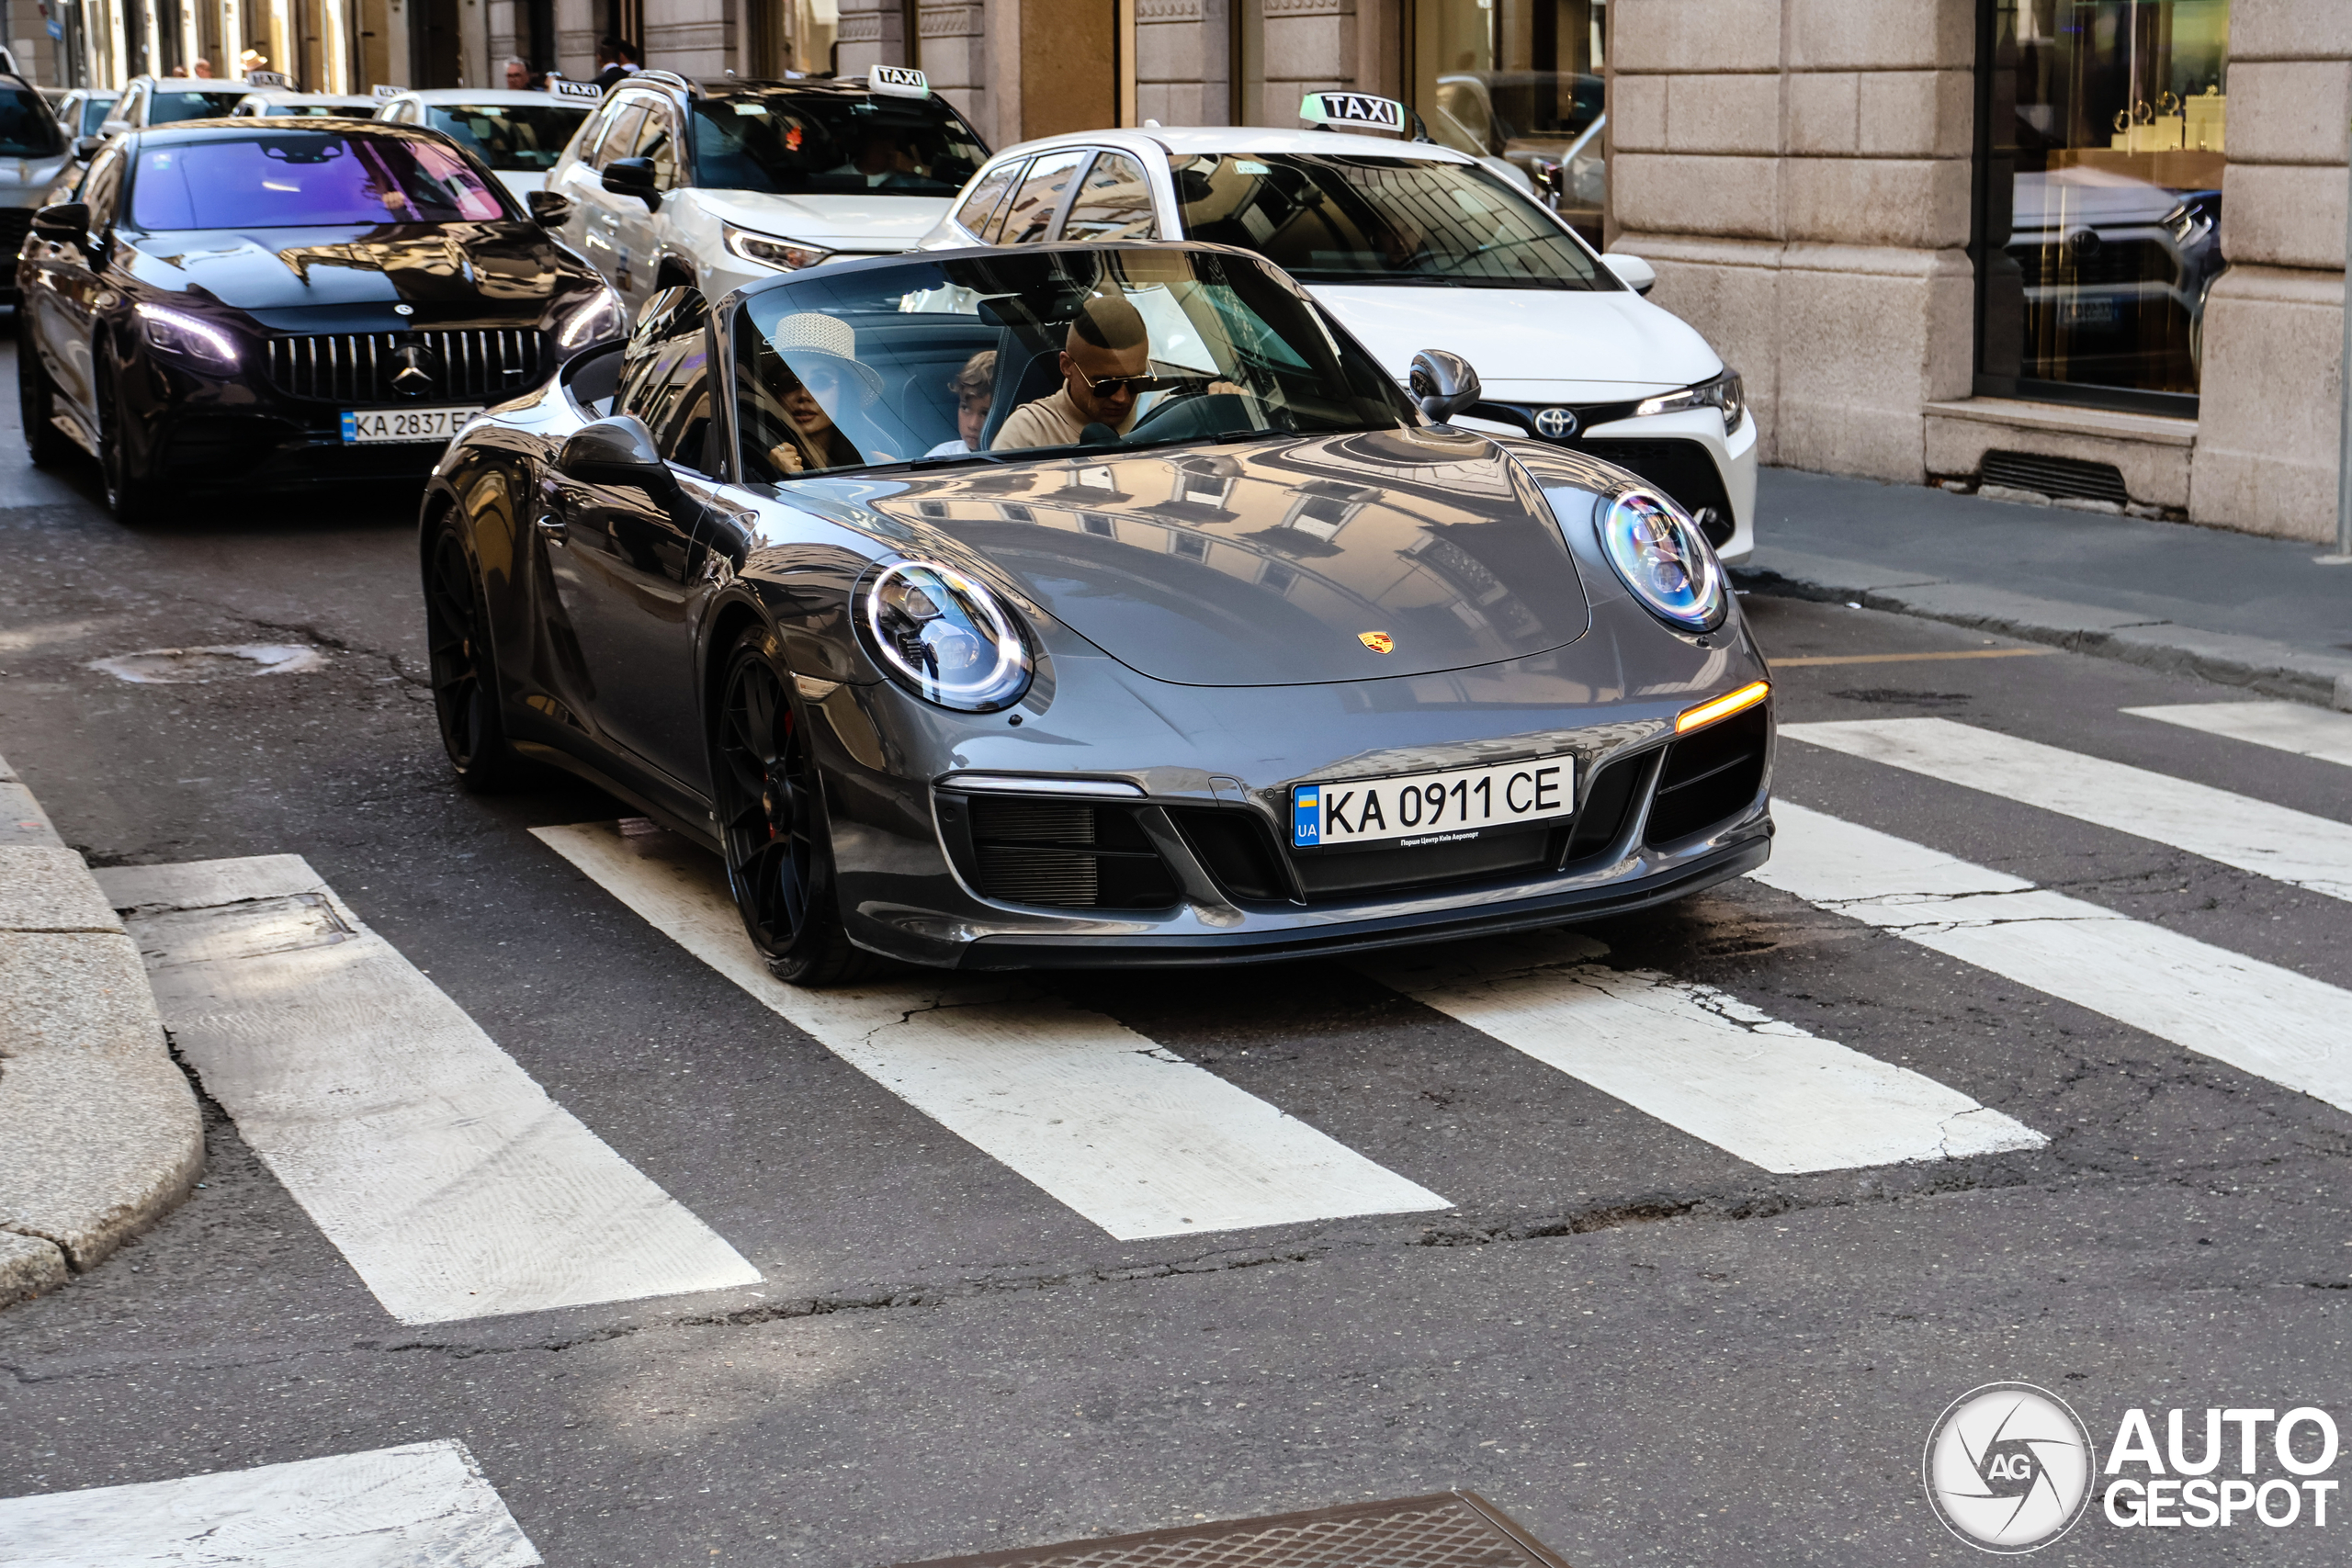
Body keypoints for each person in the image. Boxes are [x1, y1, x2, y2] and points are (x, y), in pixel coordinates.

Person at [992, 295, 1154, 451]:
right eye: (1106, 384)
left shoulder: (1160, 413)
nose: (1122, 398)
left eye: (1135, 381)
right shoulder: (1028, 433)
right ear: (1067, 366)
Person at [923, 350, 997, 457]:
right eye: (965, 408)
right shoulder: (941, 457)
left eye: (985, 414)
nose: (973, 425)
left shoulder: (1022, 457)